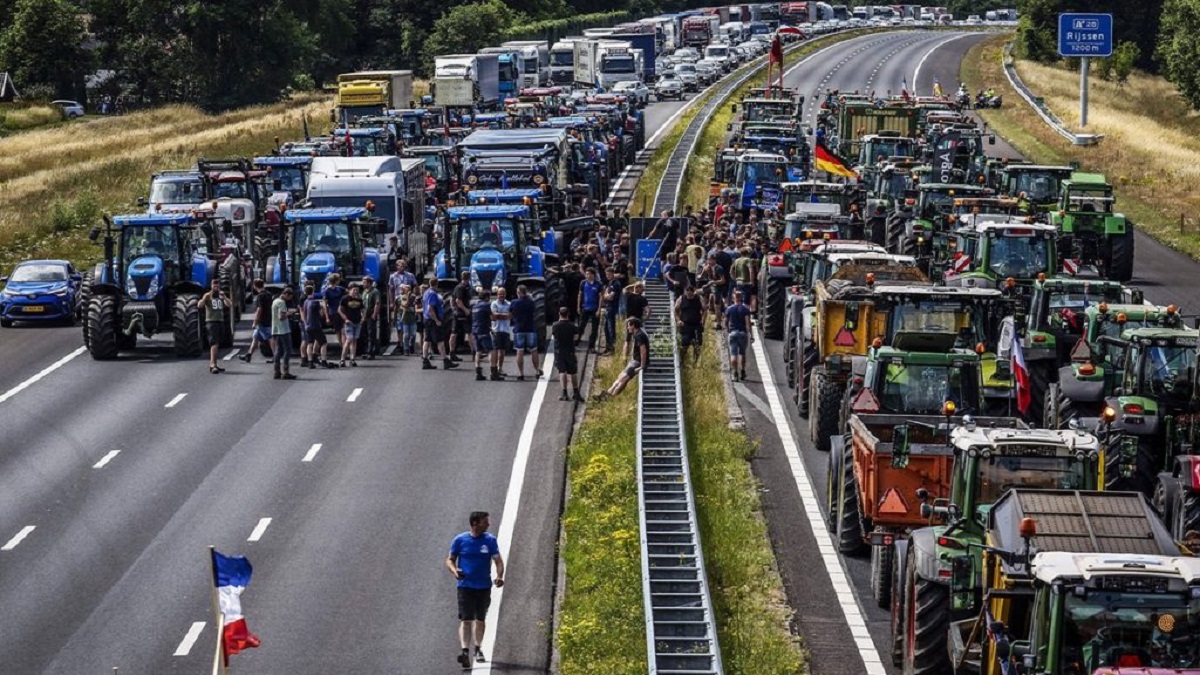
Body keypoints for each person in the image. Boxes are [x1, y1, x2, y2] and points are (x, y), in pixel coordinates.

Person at [445, 511, 505, 668]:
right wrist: (455, 571)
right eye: (485, 522)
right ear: (475, 523)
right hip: (465, 587)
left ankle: (478, 649)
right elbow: (450, 560)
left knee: (480, 619)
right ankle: (465, 652)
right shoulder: (460, 540)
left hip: (484, 586)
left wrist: (499, 576)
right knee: (466, 619)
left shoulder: (490, 540)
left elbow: (498, 561)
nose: (488, 524)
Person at [597, 317, 649, 399]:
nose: (628, 328)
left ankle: (610, 397)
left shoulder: (639, 335)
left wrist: (642, 366)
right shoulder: (638, 334)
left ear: (633, 326)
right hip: (635, 361)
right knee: (621, 377)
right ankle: (608, 393)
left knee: (623, 379)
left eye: (629, 326)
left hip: (637, 362)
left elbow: (643, 350)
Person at [422, 285, 459, 370]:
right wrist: (436, 320)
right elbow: (430, 308)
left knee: (427, 340)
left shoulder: (426, 292)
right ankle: (446, 361)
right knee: (440, 341)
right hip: (432, 321)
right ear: (436, 284)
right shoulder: (433, 294)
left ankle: (425, 361)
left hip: (427, 319)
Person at [509, 285, 542, 381]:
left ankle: (520, 373)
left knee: (519, 351)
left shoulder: (514, 302)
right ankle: (536, 371)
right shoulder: (530, 303)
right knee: (534, 350)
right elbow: (534, 310)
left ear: (519, 293)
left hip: (519, 329)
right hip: (530, 329)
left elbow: (510, 314)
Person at [199, 279, 230, 374]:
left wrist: (224, 297)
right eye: (214, 286)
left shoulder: (221, 295)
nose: (216, 287)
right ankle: (213, 365)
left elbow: (229, 305)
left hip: (220, 321)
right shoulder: (208, 295)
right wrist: (204, 299)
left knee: (217, 343)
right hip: (211, 322)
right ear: (211, 286)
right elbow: (199, 305)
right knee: (214, 343)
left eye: (217, 286)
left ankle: (215, 363)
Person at [551, 307, 583, 401]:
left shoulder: (555, 325)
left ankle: (564, 393)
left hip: (559, 351)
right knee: (573, 372)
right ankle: (576, 392)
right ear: (568, 314)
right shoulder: (573, 326)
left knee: (562, 371)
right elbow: (576, 337)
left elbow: (554, 336)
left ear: (559, 314)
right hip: (570, 351)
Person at [239, 279, 272, 363]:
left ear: (254, 286)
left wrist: (255, 322)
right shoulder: (268, 294)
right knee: (255, 337)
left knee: (270, 338)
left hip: (263, 321)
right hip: (268, 318)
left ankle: (276, 356)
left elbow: (259, 309)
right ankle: (249, 355)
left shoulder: (260, 296)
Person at [725, 290, 753, 381]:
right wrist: (751, 335)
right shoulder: (745, 309)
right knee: (742, 353)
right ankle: (743, 372)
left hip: (732, 333)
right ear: (741, 298)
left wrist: (728, 330)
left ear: (734, 298)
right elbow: (747, 323)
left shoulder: (729, 309)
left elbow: (726, 321)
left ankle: (735, 373)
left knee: (733, 354)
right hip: (742, 333)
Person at [675, 284, 705, 364]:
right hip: (686, 325)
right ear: (685, 292)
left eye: (690, 292)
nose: (689, 294)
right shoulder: (681, 298)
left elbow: (704, 310)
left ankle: (696, 362)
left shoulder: (699, 298)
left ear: (693, 291)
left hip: (697, 324)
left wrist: (703, 320)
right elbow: (675, 310)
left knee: (698, 344)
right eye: (687, 292)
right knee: (684, 344)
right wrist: (678, 320)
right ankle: (681, 361)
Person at [271, 287, 297, 380]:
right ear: (286, 294)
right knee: (288, 350)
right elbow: (281, 316)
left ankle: (277, 371)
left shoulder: (275, 301)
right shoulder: (282, 303)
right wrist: (290, 312)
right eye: (290, 297)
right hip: (283, 330)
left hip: (275, 329)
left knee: (279, 350)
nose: (289, 299)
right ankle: (285, 371)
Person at [303, 285, 331, 369]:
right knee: (323, 342)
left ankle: (310, 361)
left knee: (310, 343)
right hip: (316, 325)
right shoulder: (315, 302)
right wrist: (322, 307)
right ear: (313, 291)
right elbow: (321, 314)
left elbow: (305, 313)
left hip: (308, 326)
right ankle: (323, 360)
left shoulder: (305, 302)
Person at [338, 284, 364, 367]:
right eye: (354, 290)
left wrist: (363, 317)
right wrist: (345, 319)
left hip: (357, 322)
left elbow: (363, 309)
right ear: (349, 290)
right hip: (349, 322)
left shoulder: (359, 299)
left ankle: (352, 359)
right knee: (349, 339)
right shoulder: (345, 299)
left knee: (354, 340)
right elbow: (340, 310)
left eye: (357, 290)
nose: (355, 292)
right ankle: (342, 359)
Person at [577, 268, 602, 351]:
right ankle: (577, 340)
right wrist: (578, 306)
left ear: (593, 275)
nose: (587, 276)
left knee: (594, 329)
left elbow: (601, 297)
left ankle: (591, 346)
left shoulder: (598, 284)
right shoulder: (583, 283)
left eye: (589, 274)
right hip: (585, 308)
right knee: (581, 325)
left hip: (594, 308)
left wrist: (599, 309)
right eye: (586, 274)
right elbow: (580, 295)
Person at [490, 287, 513, 380]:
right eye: (500, 294)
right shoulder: (494, 303)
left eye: (503, 294)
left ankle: (500, 368)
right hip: (496, 330)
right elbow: (494, 315)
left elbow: (511, 315)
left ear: (505, 294)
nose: (501, 296)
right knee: (495, 351)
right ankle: (494, 369)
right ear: (497, 295)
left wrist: (501, 315)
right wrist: (505, 315)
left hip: (506, 330)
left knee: (502, 352)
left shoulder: (509, 304)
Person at [471, 289, 494, 381]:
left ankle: (478, 372)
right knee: (490, 351)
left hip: (475, 330)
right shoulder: (486, 305)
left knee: (478, 351)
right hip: (483, 330)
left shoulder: (474, 306)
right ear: (487, 297)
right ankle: (493, 372)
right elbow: (492, 317)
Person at [601, 267, 622, 355]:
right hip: (608, 307)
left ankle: (612, 349)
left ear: (613, 273)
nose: (607, 276)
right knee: (606, 328)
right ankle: (608, 347)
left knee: (610, 328)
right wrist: (606, 295)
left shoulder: (616, 283)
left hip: (612, 307)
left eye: (609, 274)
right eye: (606, 274)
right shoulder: (609, 283)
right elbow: (604, 295)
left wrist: (606, 296)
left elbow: (610, 296)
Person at [394, 284, 419, 356]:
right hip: (404, 318)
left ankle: (411, 345)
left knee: (413, 334)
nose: (406, 290)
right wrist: (395, 318)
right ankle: (406, 349)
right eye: (405, 289)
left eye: (407, 289)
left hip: (412, 318)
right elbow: (405, 305)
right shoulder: (401, 297)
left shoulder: (414, 297)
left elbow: (417, 304)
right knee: (406, 335)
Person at [452, 271, 472, 358]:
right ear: (469, 278)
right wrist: (466, 310)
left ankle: (452, 352)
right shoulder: (462, 288)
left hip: (456, 313)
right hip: (462, 314)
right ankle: (474, 351)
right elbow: (458, 301)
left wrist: (454, 308)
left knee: (454, 333)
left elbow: (452, 300)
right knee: (470, 332)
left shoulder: (457, 287)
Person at [360, 276, 381, 359]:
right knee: (364, 333)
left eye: (364, 283)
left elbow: (377, 303)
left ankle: (371, 352)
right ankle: (365, 351)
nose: (363, 284)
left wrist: (374, 314)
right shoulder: (364, 292)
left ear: (369, 283)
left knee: (371, 333)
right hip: (364, 315)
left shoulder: (375, 291)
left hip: (370, 315)